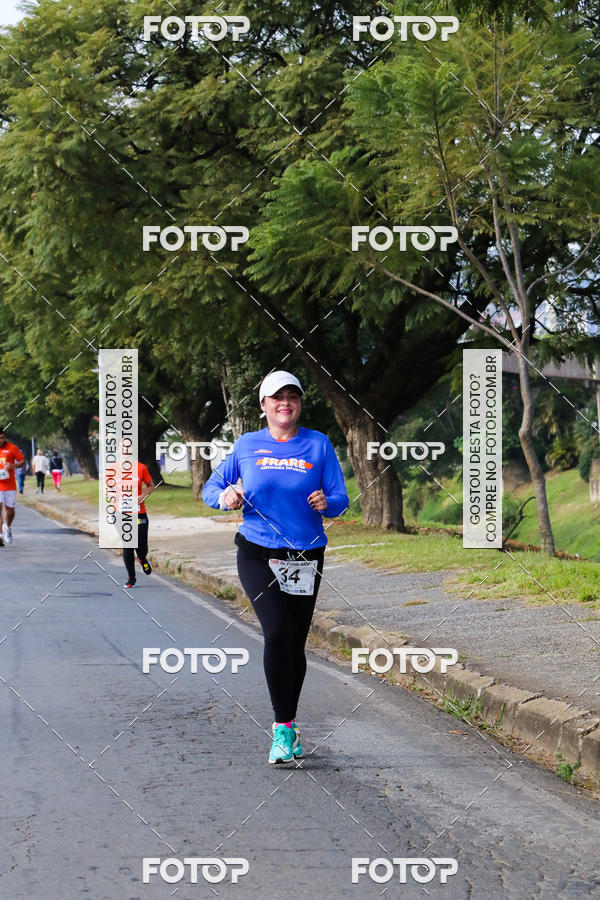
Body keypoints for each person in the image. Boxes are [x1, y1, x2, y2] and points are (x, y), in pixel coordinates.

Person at [202, 371, 349, 765]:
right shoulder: (247, 445)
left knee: (295, 643)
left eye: (292, 397)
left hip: (305, 554)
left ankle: (290, 723)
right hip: (257, 551)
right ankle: (281, 730)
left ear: (299, 403)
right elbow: (210, 489)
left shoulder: (317, 444)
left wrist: (326, 503)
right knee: (277, 632)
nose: (285, 403)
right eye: (277, 397)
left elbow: (340, 498)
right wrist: (227, 495)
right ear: (263, 406)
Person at [123, 461, 155, 589]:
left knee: (141, 547)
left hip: (139, 513)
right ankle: (131, 578)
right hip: (122, 514)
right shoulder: (113, 469)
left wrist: (142, 496)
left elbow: (150, 485)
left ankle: (142, 558)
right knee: (128, 546)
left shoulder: (141, 467)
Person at [0, 430, 26, 546]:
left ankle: (8, 527)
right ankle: (0, 535)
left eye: (1, 438)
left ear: (4, 437)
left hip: (9, 485)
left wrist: (13, 465)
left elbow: (23, 461)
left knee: (10, 512)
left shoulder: (12, 448)